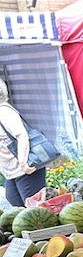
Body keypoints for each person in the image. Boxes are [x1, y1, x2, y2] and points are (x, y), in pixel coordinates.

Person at [0, 79, 48, 208]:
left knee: (33, 208)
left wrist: (23, 163)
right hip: (12, 171)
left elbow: (22, 136)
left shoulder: (4, 112)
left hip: (25, 168)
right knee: (14, 202)